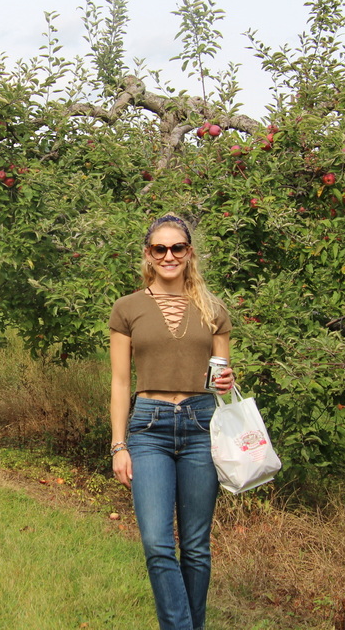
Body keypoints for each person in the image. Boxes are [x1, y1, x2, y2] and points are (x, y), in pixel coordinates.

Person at [108, 213, 234, 630]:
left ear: (189, 252)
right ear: (148, 254)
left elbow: (221, 380)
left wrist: (228, 381)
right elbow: (120, 381)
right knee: (158, 543)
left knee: (196, 547)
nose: (168, 255)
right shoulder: (127, 308)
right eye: (159, 248)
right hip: (148, 429)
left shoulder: (213, 309)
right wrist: (118, 444)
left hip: (201, 426)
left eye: (177, 247)